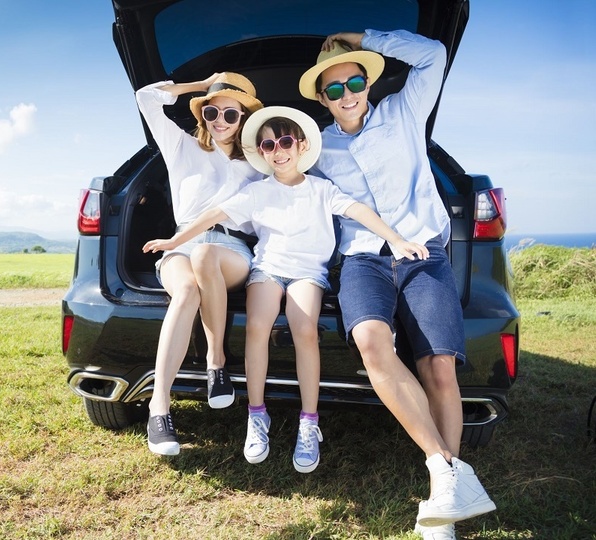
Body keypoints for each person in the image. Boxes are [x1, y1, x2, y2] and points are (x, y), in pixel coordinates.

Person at [143, 106, 428, 473]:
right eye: (268, 145)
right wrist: (175, 241)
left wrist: (397, 239)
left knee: (304, 330)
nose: (278, 151)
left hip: (308, 273)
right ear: (261, 152)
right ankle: (256, 415)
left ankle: (309, 421)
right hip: (267, 269)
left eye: (285, 142)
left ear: (301, 145)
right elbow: (213, 216)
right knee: (257, 327)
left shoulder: (322, 189)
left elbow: (359, 211)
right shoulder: (257, 191)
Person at [299, 30, 496, 538]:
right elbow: (269, 167)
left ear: (368, 82)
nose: (347, 94)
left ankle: (441, 503)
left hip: (423, 252)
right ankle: (445, 471)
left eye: (355, 82)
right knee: (371, 342)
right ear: (322, 98)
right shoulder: (315, 147)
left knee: (439, 366)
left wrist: (365, 38)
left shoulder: (404, 111)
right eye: (334, 89)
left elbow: (433, 55)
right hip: (363, 260)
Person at [135, 72, 264, 456]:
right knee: (187, 290)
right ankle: (159, 408)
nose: (220, 120)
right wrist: (202, 85)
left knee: (207, 257)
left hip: (232, 250)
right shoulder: (181, 145)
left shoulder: (258, 162)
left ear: (243, 119)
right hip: (182, 245)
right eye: (212, 112)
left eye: (230, 113)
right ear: (202, 114)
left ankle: (215, 359)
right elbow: (146, 97)